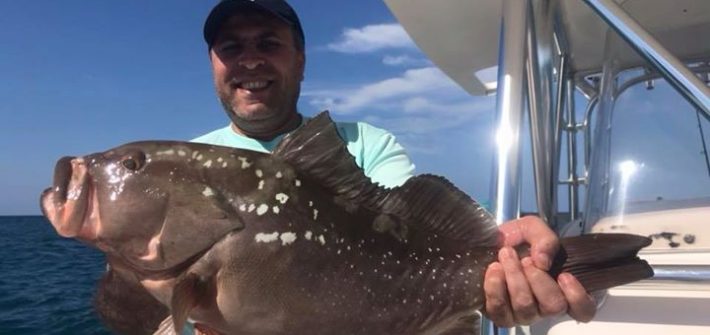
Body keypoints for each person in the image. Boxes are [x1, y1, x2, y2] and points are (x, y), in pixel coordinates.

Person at [96, 1, 596, 333]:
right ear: (212, 62)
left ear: (301, 58)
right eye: (232, 47)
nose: (249, 60)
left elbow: (418, 222)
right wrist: (124, 264)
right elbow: (131, 318)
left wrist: (510, 249)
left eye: (268, 43)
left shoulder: (366, 144)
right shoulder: (183, 164)